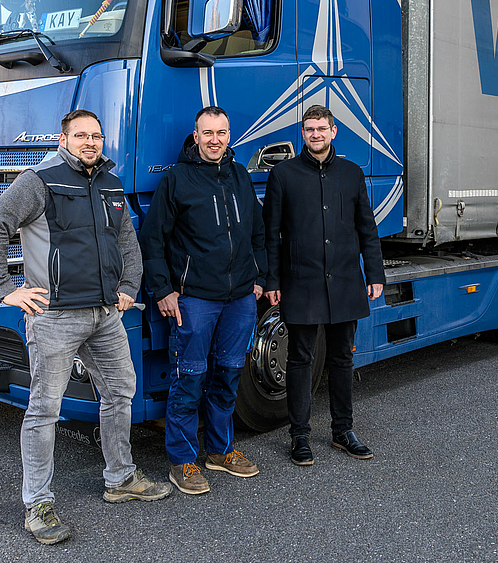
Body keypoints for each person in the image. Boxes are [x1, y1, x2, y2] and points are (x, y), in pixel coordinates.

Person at [0, 109, 171, 546]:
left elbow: (127, 242)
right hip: (55, 317)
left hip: (105, 315)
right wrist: (5, 289)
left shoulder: (110, 183)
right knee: (45, 409)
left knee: (122, 390)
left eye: (96, 136)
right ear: (63, 139)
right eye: (80, 135)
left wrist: (127, 287)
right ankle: (37, 504)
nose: (90, 142)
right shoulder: (39, 181)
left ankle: (120, 479)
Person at [138, 105, 266, 494]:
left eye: (221, 133)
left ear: (230, 136)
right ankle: (183, 461)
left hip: (240, 298)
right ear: (195, 136)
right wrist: (162, 289)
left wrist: (257, 278)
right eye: (207, 133)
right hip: (194, 299)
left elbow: (257, 232)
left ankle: (221, 451)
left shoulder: (240, 176)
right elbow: (153, 240)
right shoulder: (177, 180)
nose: (214, 140)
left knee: (228, 375)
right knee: (189, 378)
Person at [263, 105, 385, 466]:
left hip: (346, 280)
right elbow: (271, 234)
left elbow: (367, 228)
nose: (315, 134)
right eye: (309, 129)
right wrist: (272, 279)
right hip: (301, 280)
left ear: (334, 132)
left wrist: (375, 273)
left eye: (321, 128)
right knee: (300, 359)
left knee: (342, 358)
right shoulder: (283, 174)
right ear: (303, 133)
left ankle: (342, 432)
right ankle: (299, 436)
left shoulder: (352, 174)